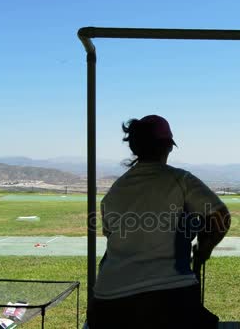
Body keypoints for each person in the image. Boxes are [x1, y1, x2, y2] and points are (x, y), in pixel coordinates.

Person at [87, 115, 231, 329]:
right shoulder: (180, 179)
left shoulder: (115, 190)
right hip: (169, 299)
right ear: (168, 147)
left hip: (106, 305)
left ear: (135, 148)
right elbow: (221, 219)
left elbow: (113, 239)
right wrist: (204, 250)